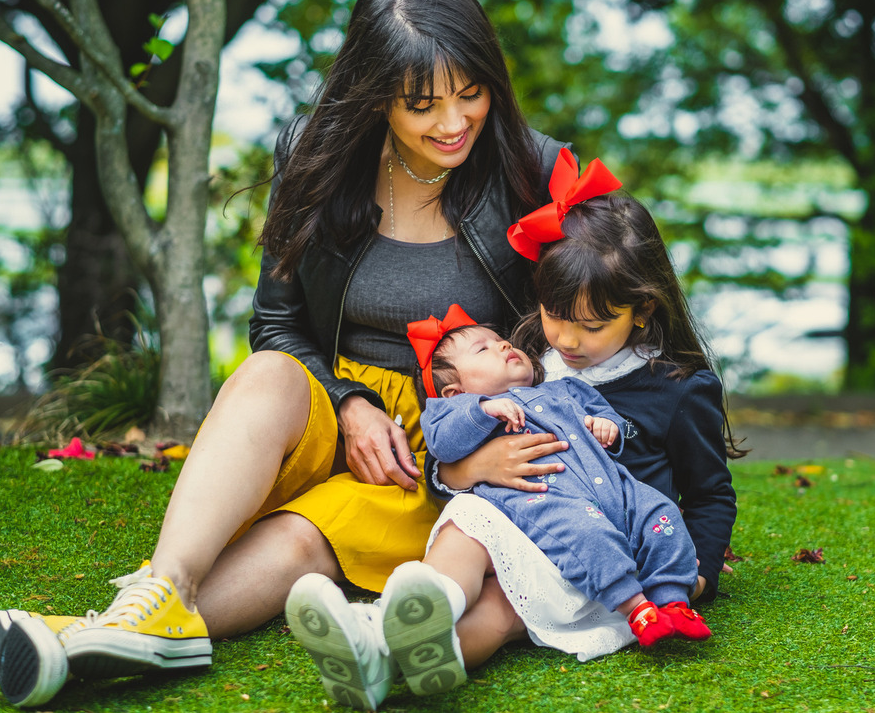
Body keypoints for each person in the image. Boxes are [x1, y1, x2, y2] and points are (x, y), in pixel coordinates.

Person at [0, 0, 573, 709]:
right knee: (266, 369)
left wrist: (488, 448)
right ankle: (161, 587)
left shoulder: (532, 166)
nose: (454, 122)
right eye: (421, 104)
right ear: (373, 92)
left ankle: (84, 642)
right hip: (332, 411)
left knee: (304, 543)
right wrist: (351, 402)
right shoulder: (313, 151)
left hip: (446, 438)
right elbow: (277, 321)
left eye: (471, 93)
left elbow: (586, 330)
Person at [283, 158, 740, 708]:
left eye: (591, 326)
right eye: (554, 315)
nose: (567, 339)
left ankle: (387, 663)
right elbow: (451, 439)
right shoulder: (528, 360)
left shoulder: (676, 389)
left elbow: (710, 494)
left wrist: (698, 579)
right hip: (513, 520)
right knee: (469, 528)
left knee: (501, 611)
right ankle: (394, 630)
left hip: (601, 555)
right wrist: (466, 470)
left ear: (641, 310)